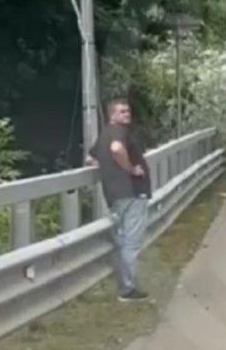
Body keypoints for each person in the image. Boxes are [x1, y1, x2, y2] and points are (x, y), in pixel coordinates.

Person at [87, 98, 151, 302]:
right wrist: (131, 168)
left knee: (122, 240)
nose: (127, 114)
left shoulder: (104, 134)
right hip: (131, 193)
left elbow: (91, 159)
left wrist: (107, 167)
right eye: (122, 111)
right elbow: (116, 149)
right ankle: (127, 289)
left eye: (128, 111)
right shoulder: (119, 133)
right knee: (131, 242)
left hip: (114, 195)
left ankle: (125, 284)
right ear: (112, 115)